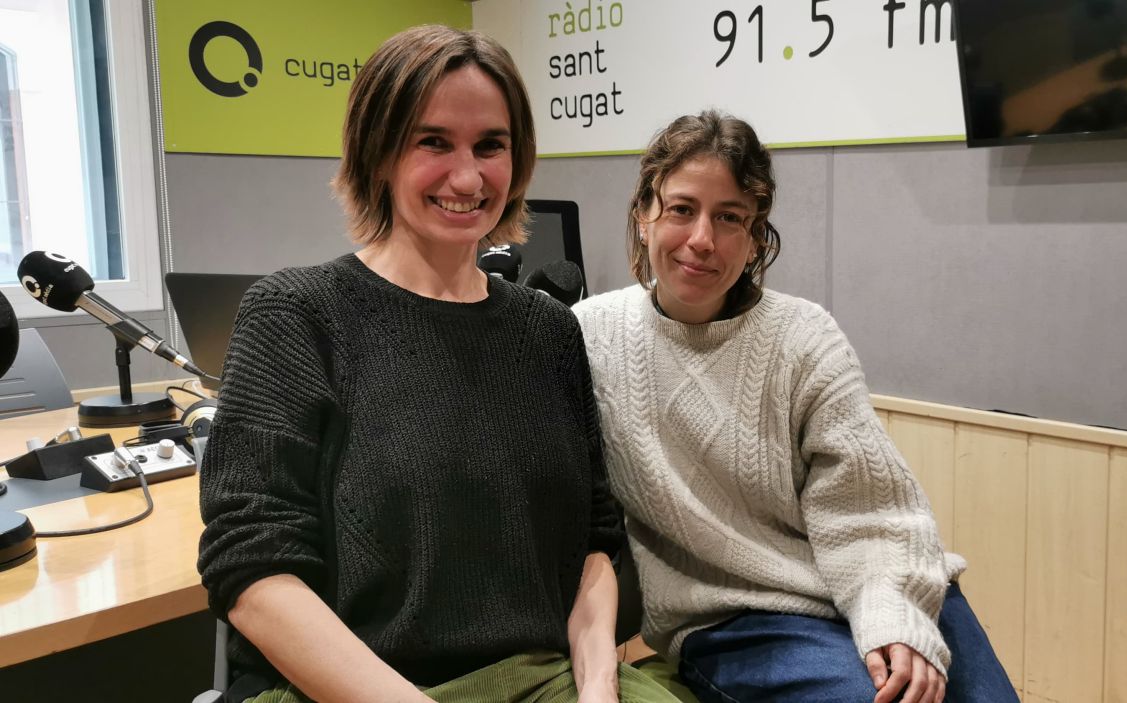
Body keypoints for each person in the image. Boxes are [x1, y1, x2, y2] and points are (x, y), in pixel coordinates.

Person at [197, 25, 684, 703]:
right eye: (432, 142)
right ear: (378, 152)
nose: (467, 177)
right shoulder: (296, 315)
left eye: (490, 146)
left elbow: (594, 542)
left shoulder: (548, 330)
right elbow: (252, 568)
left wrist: (599, 684)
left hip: (541, 678)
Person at [573, 111, 1018, 703]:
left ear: (756, 235)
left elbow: (871, 509)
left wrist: (892, 615)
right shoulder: (587, 337)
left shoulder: (805, 338)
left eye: (729, 217)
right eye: (681, 209)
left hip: (878, 582)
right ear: (643, 214)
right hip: (738, 619)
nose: (702, 239)